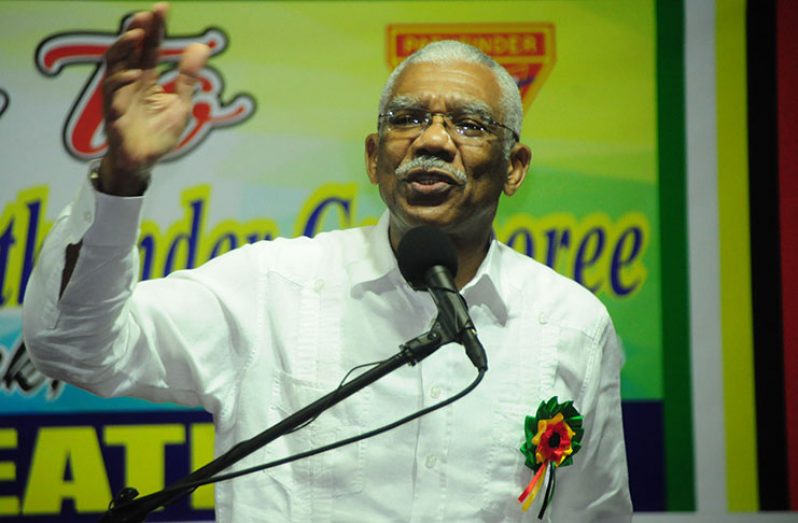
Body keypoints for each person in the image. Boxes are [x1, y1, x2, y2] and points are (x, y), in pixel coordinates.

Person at [22, 3, 632, 521]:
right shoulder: (269, 289)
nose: (434, 139)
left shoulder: (570, 325)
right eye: (409, 118)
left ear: (514, 167)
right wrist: (123, 177)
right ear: (375, 158)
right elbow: (74, 346)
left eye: (470, 124)